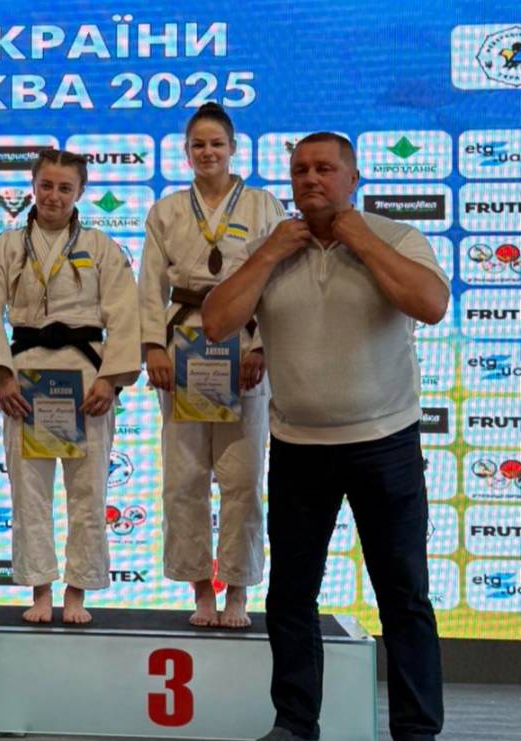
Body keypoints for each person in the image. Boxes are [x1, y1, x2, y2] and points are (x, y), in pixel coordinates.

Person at [203, 133, 447, 741]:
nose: (311, 179)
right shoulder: (271, 248)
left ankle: (417, 732)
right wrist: (267, 254)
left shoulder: (395, 237)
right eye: (300, 170)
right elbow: (216, 322)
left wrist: (360, 239)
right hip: (298, 448)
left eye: (325, 169)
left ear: (353, 177)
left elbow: (431, 304)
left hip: (385, 445)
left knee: (404, 596)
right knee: (290, 596)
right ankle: (294, 723)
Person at [0, 149, 140, 624]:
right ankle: (41, 590)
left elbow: (125, 314)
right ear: (33, 185)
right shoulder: (7, 246)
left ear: (80, 192)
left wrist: (111, 379)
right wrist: (1, 376)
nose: (53, 196)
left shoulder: (101, 246)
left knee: (88, 492)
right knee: (29, 493)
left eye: (65, 188)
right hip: (25, 379)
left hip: (86, 377)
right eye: (46, 185)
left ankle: (77, 592)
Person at [139, 103, 284, 628]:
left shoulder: (264, 206)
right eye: (198, 145)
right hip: (183, 346)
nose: (207, 153)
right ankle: (201, 589)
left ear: (233, 149)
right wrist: (152, 347)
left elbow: (277, 282)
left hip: (242, 347)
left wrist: (263, 347)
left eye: (216, 144)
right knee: (185, 478)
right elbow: (149, 285)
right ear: (186, 152)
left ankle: (238, 591)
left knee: (243, 478)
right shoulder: (167, 210)